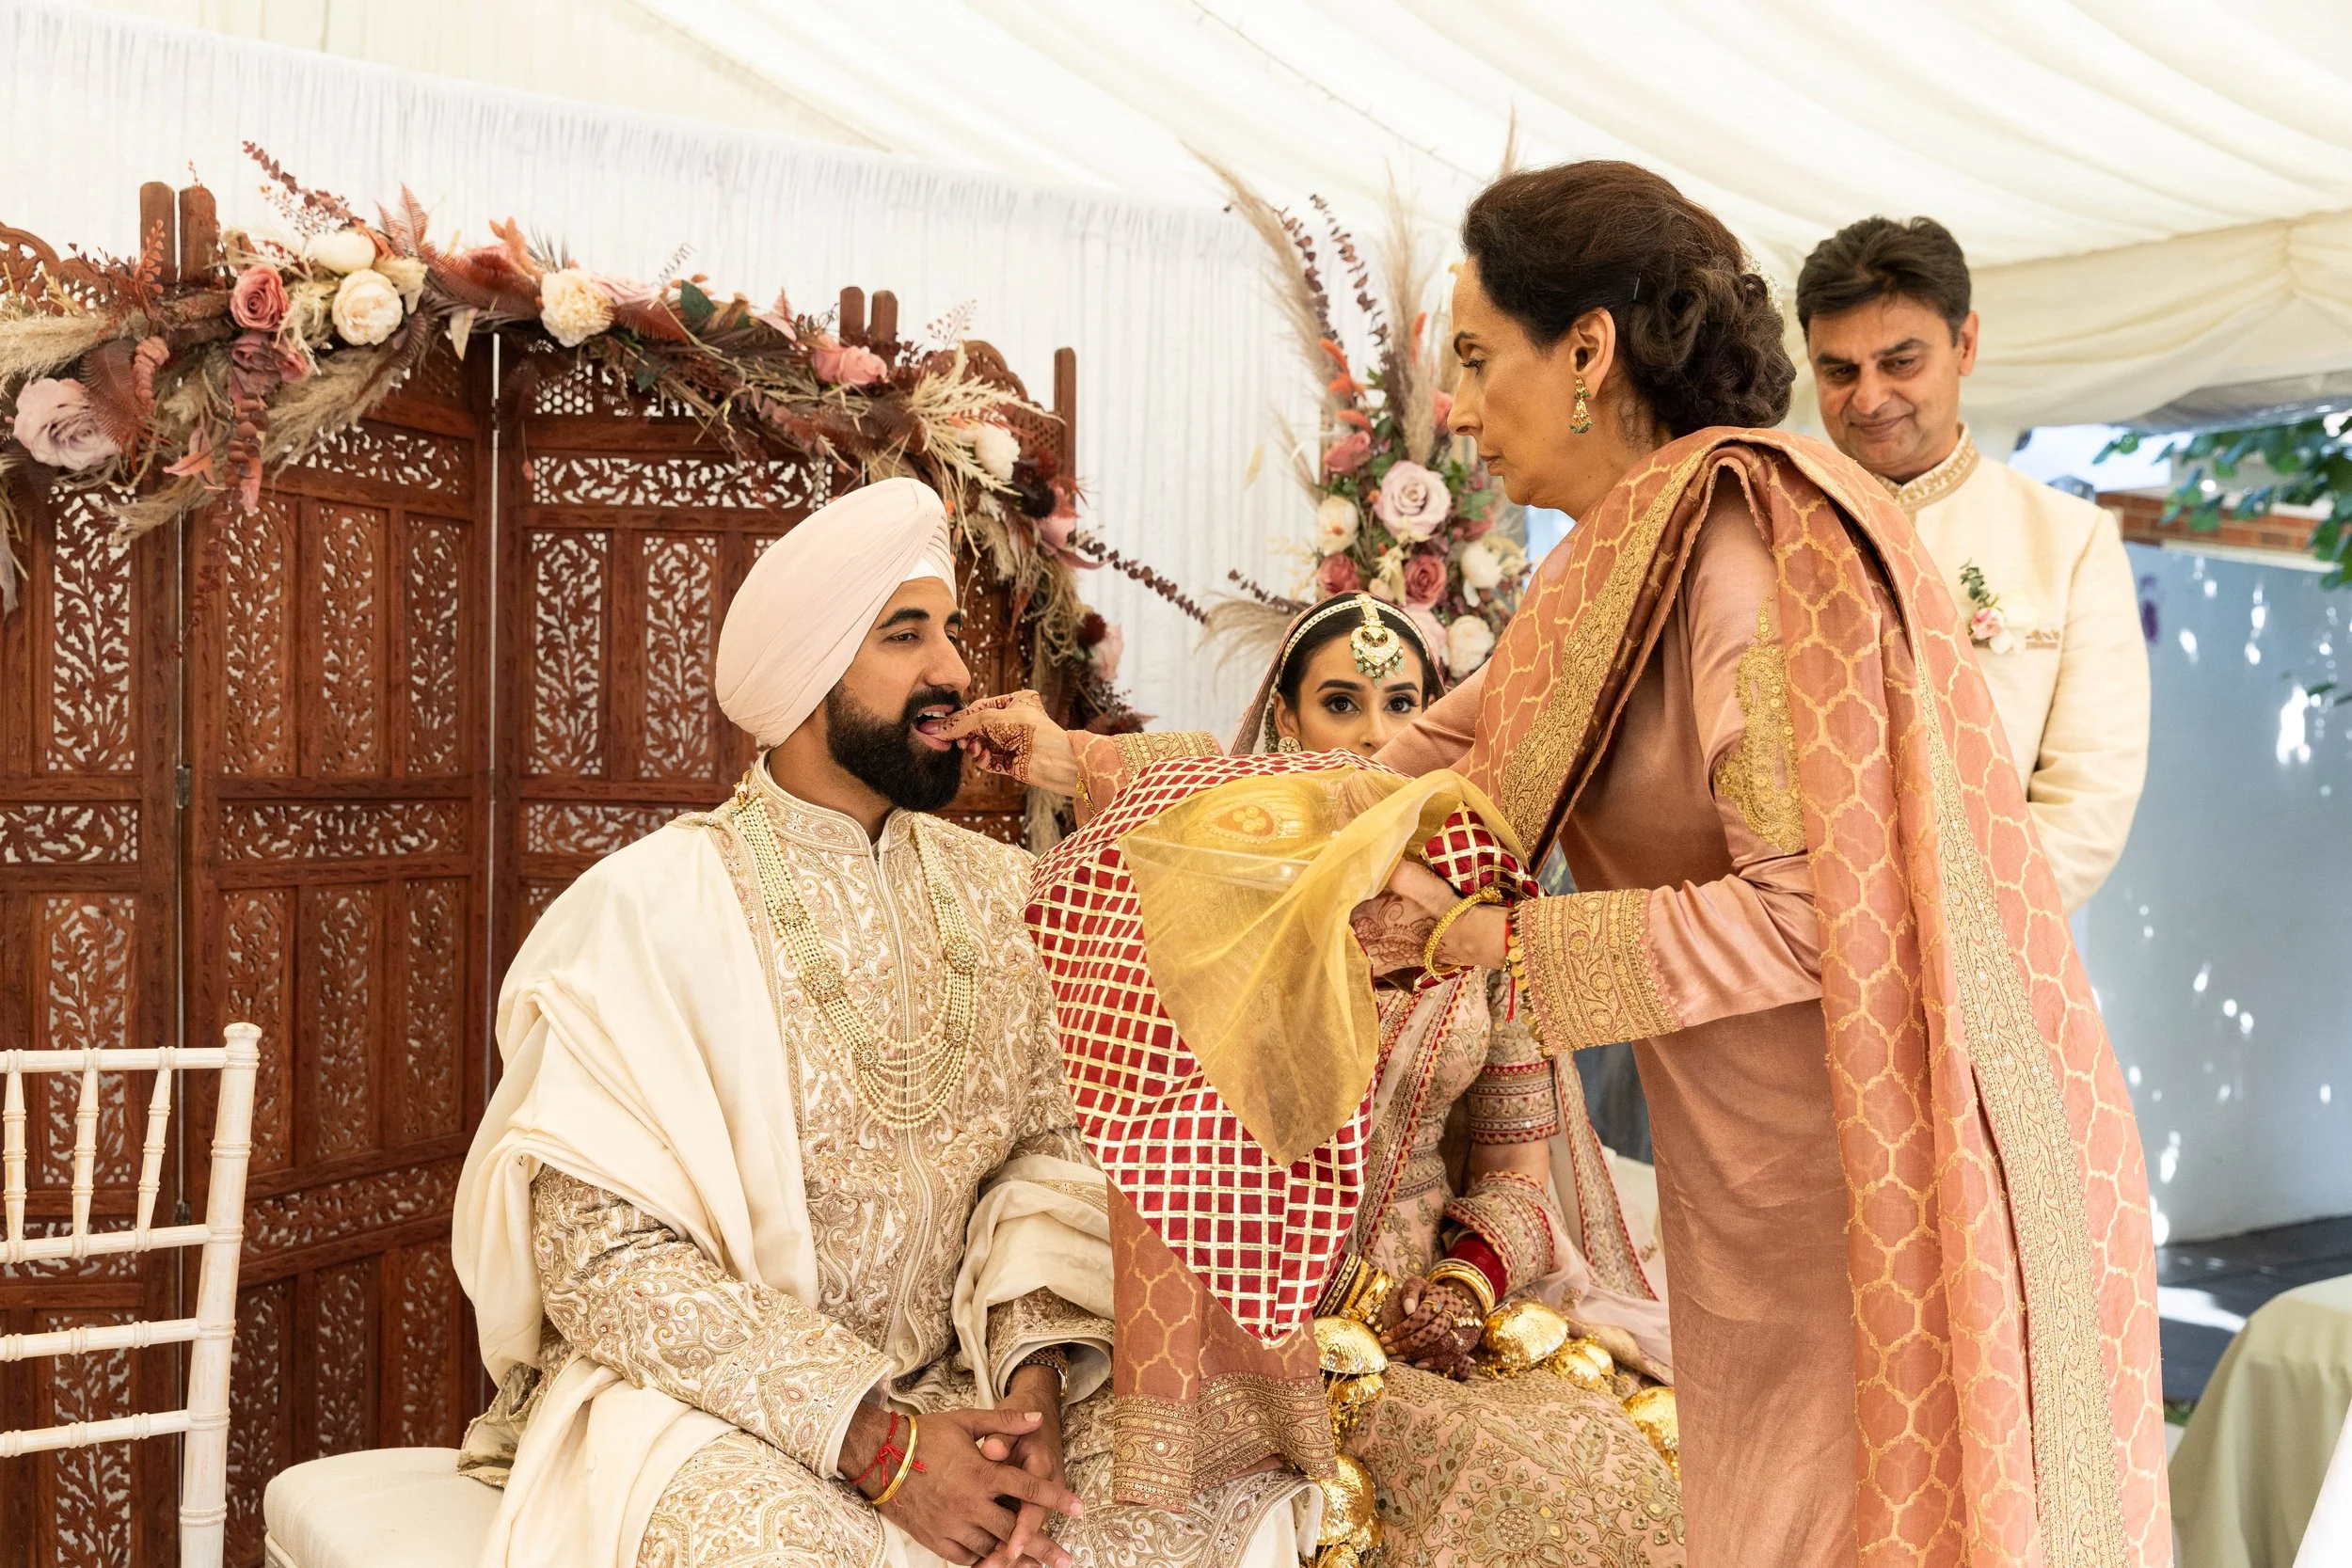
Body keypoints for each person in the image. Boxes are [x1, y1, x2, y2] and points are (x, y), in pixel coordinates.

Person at [1355, 162, 2169, 1568]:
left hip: (1869, 1173)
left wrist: (1525, 953)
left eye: (1482, 359)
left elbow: (1816, 913)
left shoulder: (1746, 555)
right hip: (1753, 1180)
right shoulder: (1601, 574)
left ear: (1590, 353)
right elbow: (1395, 776)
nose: (1461, 409)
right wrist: (1099, 771)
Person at [449, 478, 1313, 1568]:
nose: (954, 669)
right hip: (733, 1407)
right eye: (905, 635)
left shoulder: (1009, 893)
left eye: (948, 630)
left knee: (1202, 1507)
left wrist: (1028, 1415)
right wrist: (881, 1445)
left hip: (979, 1385)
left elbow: (1048, 1160)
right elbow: (601, 1256)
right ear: (810, 674)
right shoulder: (646, 909)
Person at [946, 594, 1685, 1567]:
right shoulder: (1215, 916)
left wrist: (1465, 1286)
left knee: (1636, 1470)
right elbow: (1165, 1135)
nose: (1377, 736)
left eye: (1403, 704)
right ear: (1286, 724)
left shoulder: (1472, 907)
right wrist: (1070, 756)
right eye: (1343, 703)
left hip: (1444, 1324)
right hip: (1259, 1317)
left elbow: (1512, 1169)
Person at [1798, 215, 2150, 911]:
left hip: (1994, 954)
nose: (1868, 398)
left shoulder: (2070, 540)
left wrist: (1942, 929)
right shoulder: (1769, 524)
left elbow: (2089, 799)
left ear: (1966, 343)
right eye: (1839, 370)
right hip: (1787, 949)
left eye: (1901, 362)